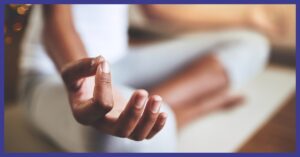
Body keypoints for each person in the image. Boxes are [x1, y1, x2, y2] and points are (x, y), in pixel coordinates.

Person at [20, 4, 270, 152]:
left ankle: (160, 111)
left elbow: (155, 10)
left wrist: (250, 17)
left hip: (123, 60)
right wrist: (88, 85)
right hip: (52, 74)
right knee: (124, 141)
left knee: (251, 44)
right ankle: (185, 111)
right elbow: (57, 20)